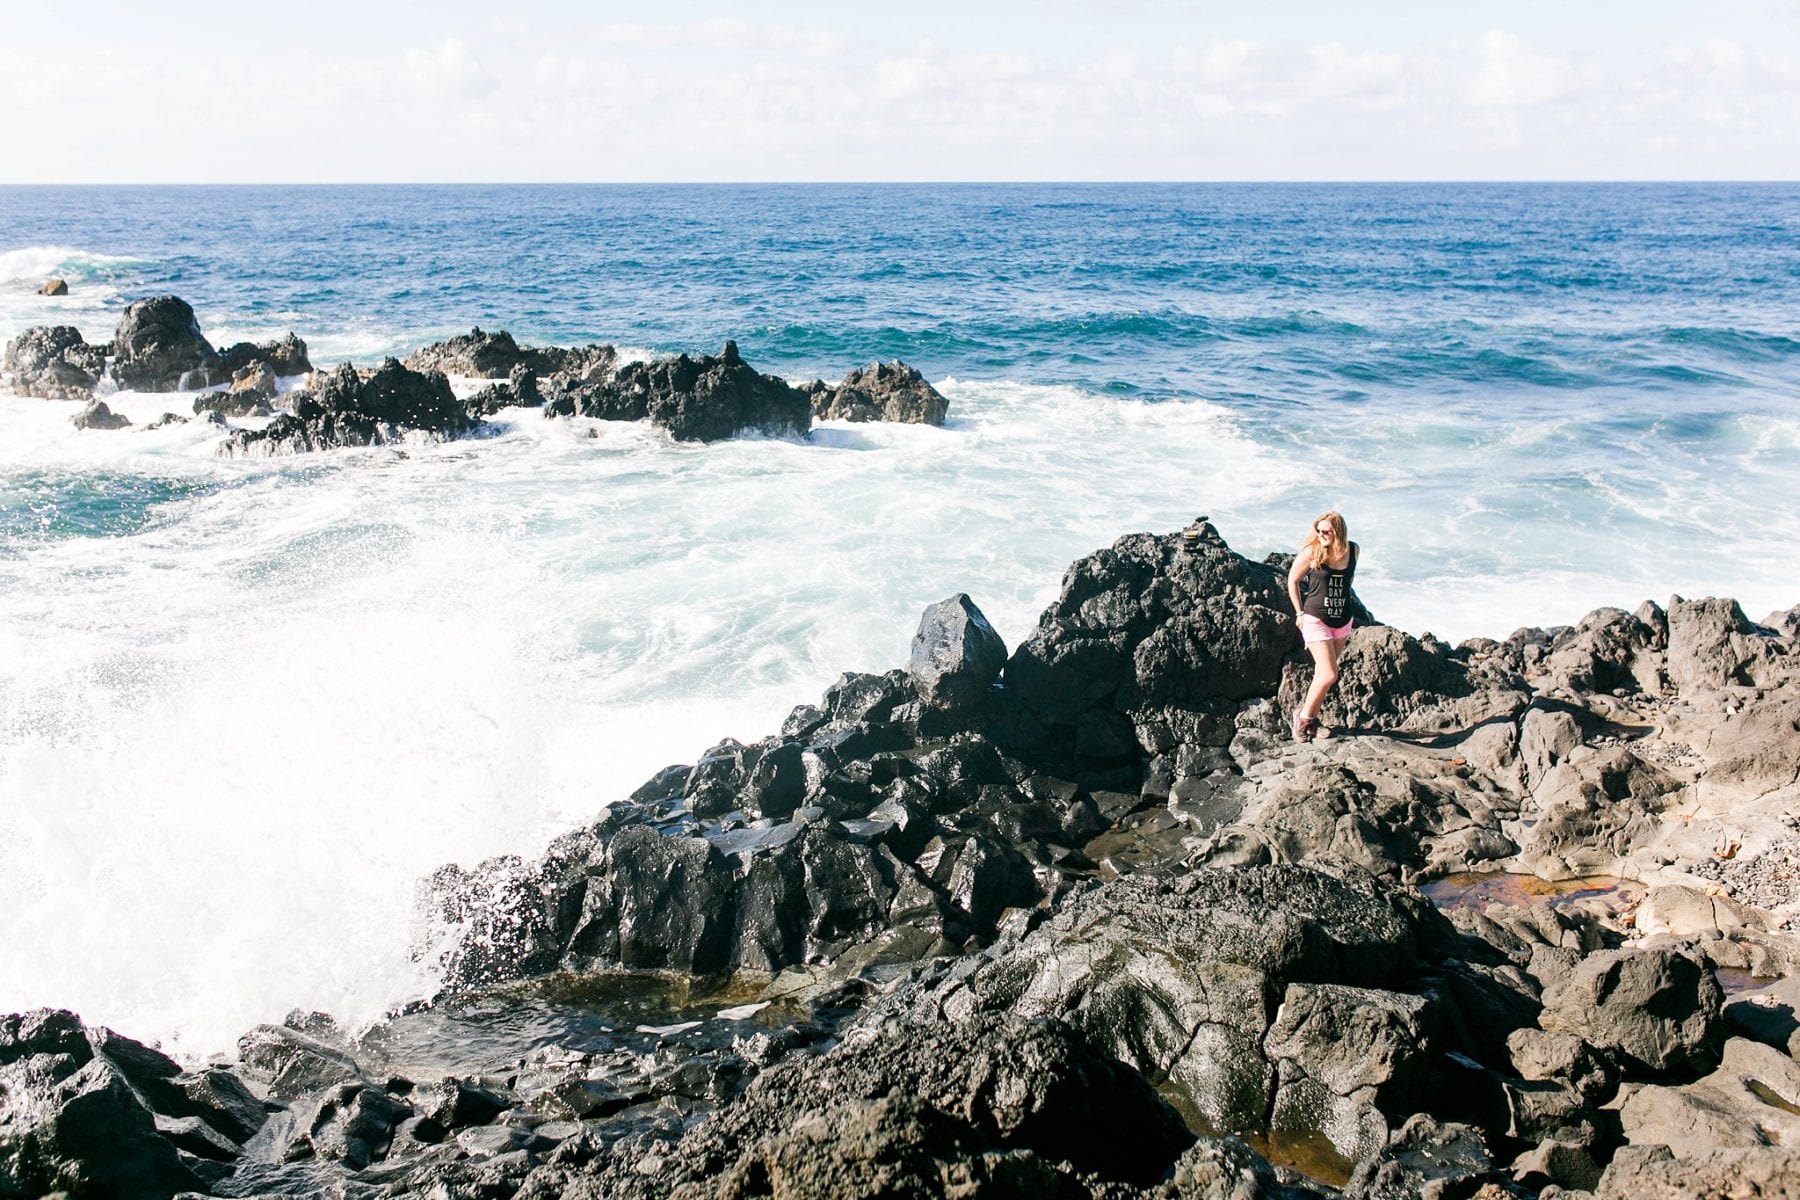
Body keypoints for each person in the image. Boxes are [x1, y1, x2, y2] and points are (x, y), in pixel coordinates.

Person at [1286, 510, 1358, 742]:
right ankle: (1303, 720)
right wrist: (1299, 612)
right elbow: (1292, 581)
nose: (1322, 534)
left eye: (1327, 531)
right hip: (1316, 619)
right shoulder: (1313, 551)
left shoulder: (1353, 550)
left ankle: (1310, 716)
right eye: (1319, 530)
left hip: (1343, 621)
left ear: (1339, 531)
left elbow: (1348, 580)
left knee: (1323, 674)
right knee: (1329, 673)